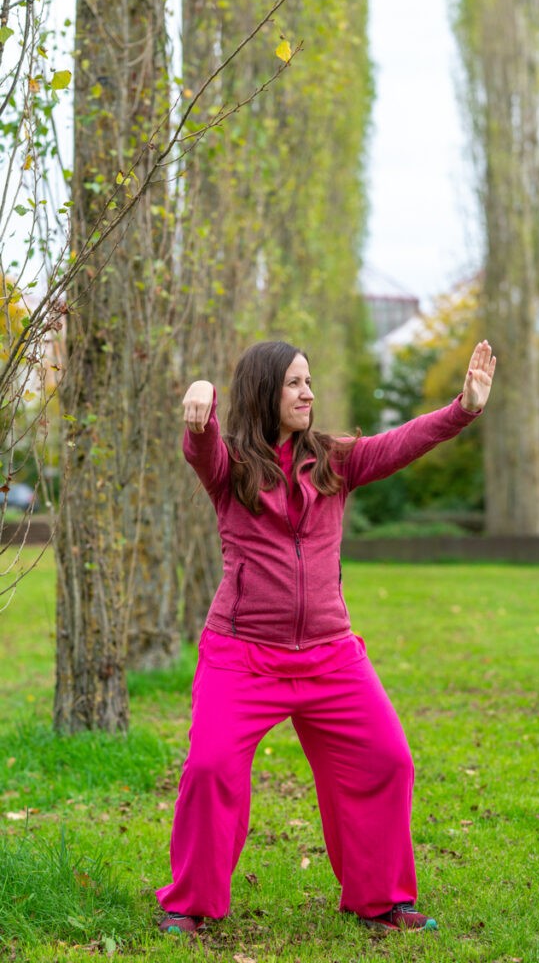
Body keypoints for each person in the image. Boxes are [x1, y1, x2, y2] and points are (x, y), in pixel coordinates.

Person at [156, 338, 496, 935]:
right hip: (242, 655)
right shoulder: (231, 467)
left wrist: (462, 409)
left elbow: (399, 444)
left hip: (331, 655)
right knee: (210, 768)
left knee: (388, 760)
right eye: (293, 383)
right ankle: (192, 904)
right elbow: (200, 450)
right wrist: (201, 406)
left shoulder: (335, 459)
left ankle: (381, 900)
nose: (308, 392)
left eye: (309, 381)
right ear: (264, 391)